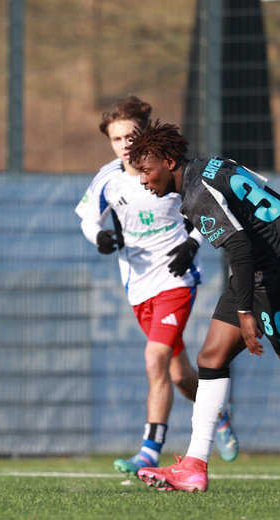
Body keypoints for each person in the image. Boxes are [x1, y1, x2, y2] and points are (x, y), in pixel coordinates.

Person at [75, 95, 238, 479]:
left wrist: (193, 243)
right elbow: (86, 217)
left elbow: (205, 207)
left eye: (131, 136)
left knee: (154, 359)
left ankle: (149, 451)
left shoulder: (169, 172)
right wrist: (98, 236)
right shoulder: (109, 178)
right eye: (116, 140)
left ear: (145, 134)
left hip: (176, 280)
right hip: (138, 288)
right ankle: (219, 412)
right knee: (179, 376)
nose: (125, 146)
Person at [130, 120, 279, 492]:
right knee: (211, 358)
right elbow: (250, 195)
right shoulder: (211, 165)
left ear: (168, 161)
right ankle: (194, 467)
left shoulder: (195, 195)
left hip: (269, 271)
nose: (144, 181)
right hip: (256, 269)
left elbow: (240, 247)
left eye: (146, 171)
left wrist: (246, 312)